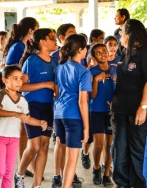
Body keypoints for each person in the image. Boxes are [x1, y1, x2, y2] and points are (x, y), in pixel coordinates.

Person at [111, 19, 147, 188]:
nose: (121, 36)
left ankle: (139, 184)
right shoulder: (126, 52)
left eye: (123, 33)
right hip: (121, 110)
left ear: (131, 34)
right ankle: (122, 184)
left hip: (140, 110)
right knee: (120, 148)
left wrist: (143, 107)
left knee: (137, 149)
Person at [0, 65, 47, 188]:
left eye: (21, 79)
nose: (19, 82)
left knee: (8, 173)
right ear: (5, 80)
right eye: (15, 78)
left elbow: (27, 118)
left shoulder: (23, 100)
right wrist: (15, 113)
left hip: (13, 139)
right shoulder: (1, 94)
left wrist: (40, 123)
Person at [14, 29, 58, 188]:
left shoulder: (55, 61)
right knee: (34, 146)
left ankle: (37, 184)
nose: (55, 41)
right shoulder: (31, 61)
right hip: (32, 106)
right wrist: (45, 84)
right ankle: (19, 174)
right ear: (42, 42)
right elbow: (20, 86)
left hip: (48, 107)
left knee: (45, 146)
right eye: (51, 38)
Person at [54, 34, 92, 188]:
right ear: (81, 50)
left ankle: (66, 184)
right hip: (74, 117)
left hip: (58, 114)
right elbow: (82, 101)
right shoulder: (84, 72)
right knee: (72, 159)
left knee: (64, 152)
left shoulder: (59, 67)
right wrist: (87, 127)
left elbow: (57, 92)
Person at [3, 16, 39, 177]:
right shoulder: (18, 46)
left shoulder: (28, 45)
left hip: (24, 90)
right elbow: (9, 68)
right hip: (17, 91)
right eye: (37, 28)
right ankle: (22, 164)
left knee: (25, 129)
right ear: (31, 30)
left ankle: (26, 163)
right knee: (22, 129)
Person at [50, 23, 83, 188]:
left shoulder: (63, 65)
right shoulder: (56, 57)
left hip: (60, 111)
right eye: (71, 33)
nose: (73, 35)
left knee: (64, 145)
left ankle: (64, 178)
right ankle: (61, 178)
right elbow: (82, 100)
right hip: (71, 113)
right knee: (67, 151)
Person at [89, 43, 116, 187]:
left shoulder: (116, 70)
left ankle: (106, 174)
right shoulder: (91, 72)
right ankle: (96, 167)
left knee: (110, 145)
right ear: (94, 57)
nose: (103, 54)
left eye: (104, 51)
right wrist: (96, 80)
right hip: (97, 111)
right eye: (98, 53)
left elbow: (120, 91)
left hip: (111, 112)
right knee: (99, 145)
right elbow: (92, 95)